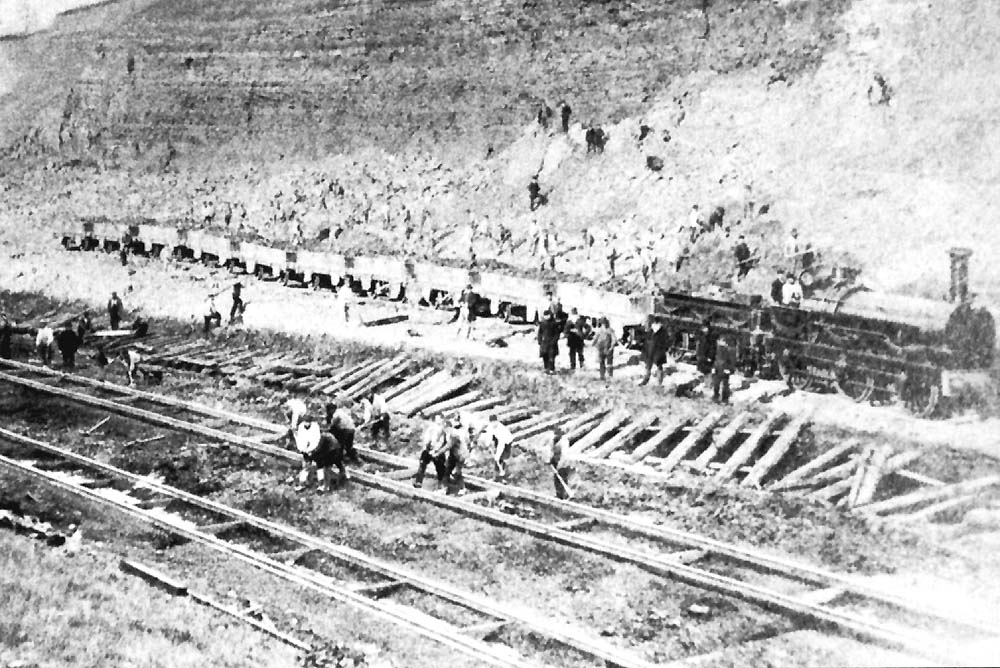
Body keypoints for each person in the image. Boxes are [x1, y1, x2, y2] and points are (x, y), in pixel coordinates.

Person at [294, 416, 347, 492]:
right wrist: (306, 451)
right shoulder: (304, 431)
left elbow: (320, 447)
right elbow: (302, 441)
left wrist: (312, 453)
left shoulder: (323, 438)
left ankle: (324, 485)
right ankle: (306, 483)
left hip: (330, 452)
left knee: (324, 468)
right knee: (309, 467)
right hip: (315, 451)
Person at [414, 414, 448, 489]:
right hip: (428, 449)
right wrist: (426, 447)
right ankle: (418, 481)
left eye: (440, 420)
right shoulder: (431, 428)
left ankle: (441, 484)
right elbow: (426, 438)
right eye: (437, 420)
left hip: (437, 451)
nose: (438, 421)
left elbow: (442, 442)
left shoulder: (442, 431)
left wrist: (436, 450)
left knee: (440, 468)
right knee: (422, 464)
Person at [476, 414, 514, 479]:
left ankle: (504, 473)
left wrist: (497, 455)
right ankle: (497, 474)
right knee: (498, 457)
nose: (493, 424)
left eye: (495, 422)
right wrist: (488, 444)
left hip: (506, 441)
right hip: (497, 438)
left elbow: (501, 444)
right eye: (492, 422)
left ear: (497, 421)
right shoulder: (490, 426)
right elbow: (489, 435)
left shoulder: (501, 430)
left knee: (502, 457)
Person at [638, 318, 670, 386]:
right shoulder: (653, 330)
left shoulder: (660, 330)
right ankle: (648, 380)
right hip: (651, 348)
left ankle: (656, 382)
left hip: (656, 349)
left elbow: (666, 341)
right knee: (650, 365)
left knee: (656, 365)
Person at [326, 398, 359, 464]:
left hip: (345, 430)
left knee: (341, 444)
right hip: (352, 429)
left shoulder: (336, 415)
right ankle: (354, 458)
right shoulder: (341, 411)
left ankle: (339, 459)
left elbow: (332, 425)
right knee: (349, 446)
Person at [444, 417, 470, 495]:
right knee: (447, 471)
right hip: (453, 455)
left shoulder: (455, 434)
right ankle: (445, 487)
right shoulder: (449, 434)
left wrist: (438, 453)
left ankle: (462, 488)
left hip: (459, 455)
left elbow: (449, 446)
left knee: (457, 472)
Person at [548, 428, 574, 500]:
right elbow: (551, 450)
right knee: (556, 479)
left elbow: (564, 455)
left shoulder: (564, 442)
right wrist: (550, 459)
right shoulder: (552, 440)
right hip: (555, 461)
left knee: (562, 478)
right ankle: (558, 495)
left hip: (563, 463)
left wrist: (560, 465)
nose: (556, 434)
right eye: (555, 433)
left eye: (558, 433)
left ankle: (564, 496)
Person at [712, 336, 736, 404]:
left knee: (725, 385)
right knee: (716, 384)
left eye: (722, 341)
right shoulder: (718, 349)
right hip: (718, 369)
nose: (720, 342)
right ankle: (716, 396)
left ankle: (725, 399)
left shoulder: (730, 350)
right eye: (720, 341)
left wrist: (729, 369)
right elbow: (716, 359)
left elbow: (732, 361)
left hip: (725, 369)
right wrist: (714, 367)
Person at [537, 310, 560, 375]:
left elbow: (557, 334)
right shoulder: (543, 323)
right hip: (544, 342)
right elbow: (540, 333)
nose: (547, 317)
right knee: (545, 356)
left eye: (548, 315)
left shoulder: (554, 323)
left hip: (552, 343)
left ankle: (551, 369)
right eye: (545, 315)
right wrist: (539, 340)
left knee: (551, 356)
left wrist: (554, 341)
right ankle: (546, 368)